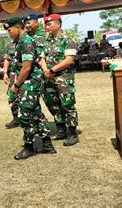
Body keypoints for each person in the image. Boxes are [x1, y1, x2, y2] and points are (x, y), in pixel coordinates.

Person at [4, 18, 55, 160]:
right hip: (29, 83)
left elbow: (26, 67)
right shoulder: (21, 41)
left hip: (29, 83)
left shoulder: (26, 42)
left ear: (17, 27)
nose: (9, 33)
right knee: (36, 113)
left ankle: (29, 147)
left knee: (25, 116)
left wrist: (16, 86)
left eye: (10, 30)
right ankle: (47, 144)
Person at [40, 14, 80, 147]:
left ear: (58, 24)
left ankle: (72, 133)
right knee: (54, 105)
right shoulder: (47, 41)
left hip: (63, 78)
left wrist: (52, 71)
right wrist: (46, 70)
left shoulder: (68, 39)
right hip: (48, 78)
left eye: (50, 24)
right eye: (46, 24)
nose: (47, 26)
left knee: (67, 105)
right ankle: (61, 130)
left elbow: (69, 60)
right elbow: (42, 58)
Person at [3, 40, 20, 129]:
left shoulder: (28, 41)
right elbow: (7, 59)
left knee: (27, 97)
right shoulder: (10, 44)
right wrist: (5, 72)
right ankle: (16, 118)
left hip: (26, 74)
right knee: (12, 96)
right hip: (13, 75)